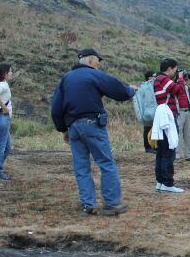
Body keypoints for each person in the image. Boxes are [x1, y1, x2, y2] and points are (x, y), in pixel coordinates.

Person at [51, 48, 136, 217]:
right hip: (92, 124)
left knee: (81, 167)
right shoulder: (93, 74)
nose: (98, 63)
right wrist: (131, 90)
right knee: (106, 163)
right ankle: (111, 204)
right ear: (90, 60)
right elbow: (118, 90)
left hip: (73, 127)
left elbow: (56, 107)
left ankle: (88, 206)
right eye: (98, 60)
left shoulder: (66, 79)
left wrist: (63, 129)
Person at [153, 58, 185, 193]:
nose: (176, 72)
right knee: (169, 150)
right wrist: (181, 79)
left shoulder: (158, 79)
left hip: (161, 116)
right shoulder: (163, 79)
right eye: (175, 70)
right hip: (167, 117)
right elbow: (179, 90)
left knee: (161, 151)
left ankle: (160, 182)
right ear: (170, 68)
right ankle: (167, 183)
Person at [175, 71, 190, 162]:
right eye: (184, 78)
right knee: (177, 135)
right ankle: (176, 155)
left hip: (188, 112)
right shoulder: (175, 87)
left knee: (188, 134)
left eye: (186, 79)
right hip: (179, 112)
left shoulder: (188, 89)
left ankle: (189, 155)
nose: (186, 80)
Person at [142, 70, 156, 154]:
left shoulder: (152, 86)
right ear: (149, 78)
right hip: (147, 111)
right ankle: (147, 147)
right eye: (154, 76)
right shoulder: (145, 86)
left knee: (153, 128)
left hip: (152, 110)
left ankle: (152, 146)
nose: (155, 77)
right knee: (147, 128)